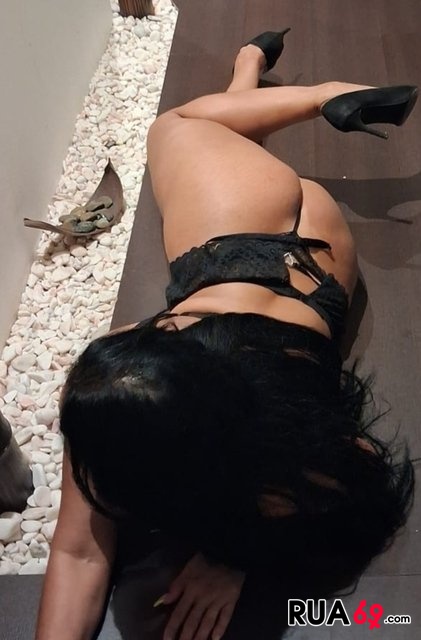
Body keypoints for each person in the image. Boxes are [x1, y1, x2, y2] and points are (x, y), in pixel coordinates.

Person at [36, 31, 417, 640]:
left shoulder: (281, 457)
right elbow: (76, 554)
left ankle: (314, 91)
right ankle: (262, 77)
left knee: (175, 124)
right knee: (188, 129)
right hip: (264, 242)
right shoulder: (128, 397)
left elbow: (81, 551)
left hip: (249, 243)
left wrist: (236, 557)